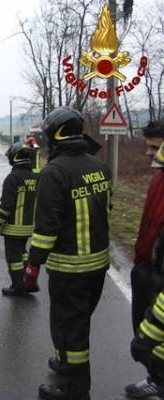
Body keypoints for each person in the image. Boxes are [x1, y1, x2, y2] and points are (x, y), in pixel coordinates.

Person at [24, 107, 111, 400]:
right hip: (98, 266)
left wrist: (32, 265)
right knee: (77, 323)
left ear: (54, 135)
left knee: (69, 331)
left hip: (69, 269)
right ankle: (64, 365)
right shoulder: (100, 166)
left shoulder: (54, 173)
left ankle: (75, 390)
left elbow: (46, 230)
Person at [125, 122, 164, 399]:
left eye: (155, 146)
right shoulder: (159, 177)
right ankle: (157, 377)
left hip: (159, 273)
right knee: (145, 325)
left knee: (154, 334)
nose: (149, 153)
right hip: (147, 267)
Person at [0, 143, 37, 296]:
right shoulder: (34, 177)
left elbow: (6, 206)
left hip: (13, 227)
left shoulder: (12, 178)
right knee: (22, 252)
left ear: (15, 158)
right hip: (28, 226)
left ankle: (18, 287)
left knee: (14, 258)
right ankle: (28, 281)